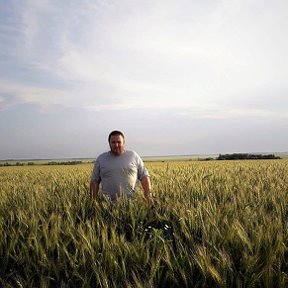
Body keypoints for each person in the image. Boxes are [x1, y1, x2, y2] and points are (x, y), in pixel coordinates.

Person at [90, 130, 153, 204]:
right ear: (109, 143)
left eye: (119, 142)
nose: (116, 145)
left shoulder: (133, 156)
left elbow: (144, 176)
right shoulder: (101, 158)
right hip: (107, 205)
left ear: (124, 142)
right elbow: (95, 181)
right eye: (113, 142)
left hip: (132, 205)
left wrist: (149, 198)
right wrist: (93, 203)